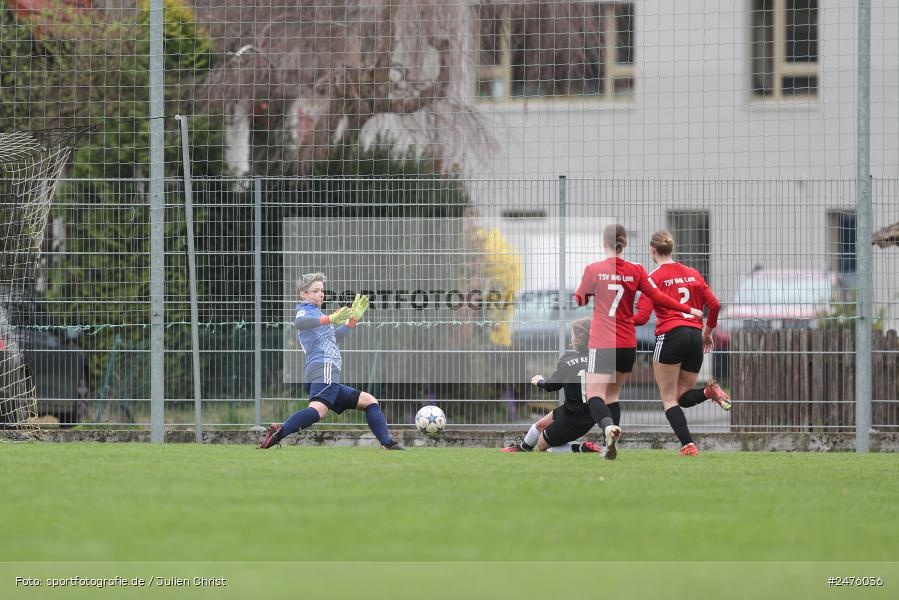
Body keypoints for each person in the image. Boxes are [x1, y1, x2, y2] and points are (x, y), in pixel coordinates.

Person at [575, 224, 703, 460]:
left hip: (604, 341)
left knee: (594, 394)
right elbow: (658, 297)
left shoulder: (594, 269)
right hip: (627, 344)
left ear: (603, 244)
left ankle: (607, 429)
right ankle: (610, 445)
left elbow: (580, 299)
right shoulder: (637, 270)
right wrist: (688, 309)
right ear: (625, 243)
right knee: (613, 395)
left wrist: (591, 291)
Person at [259, 272, 404, 450]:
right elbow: (300, 322)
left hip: (321, 371)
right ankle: (280, 431)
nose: (321, 293)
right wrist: (330, 319)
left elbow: (335, 337)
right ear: (303, 294)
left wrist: (353, 320)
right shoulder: (306, 309)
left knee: (369, 401)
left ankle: (388, 444)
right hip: (324, 367)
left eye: (322, 290)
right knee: (319, 411)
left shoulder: (317, 314)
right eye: (315, 290)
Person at [633, 230, 730, 456]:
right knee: (681, 397)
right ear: (672, 249)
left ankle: (688, 445)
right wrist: (707, 333)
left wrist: (616, 320)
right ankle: (709, 392)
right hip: (695, 336)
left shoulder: (653, 278)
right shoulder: (693, 273)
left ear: (652, 250)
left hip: (671, 334)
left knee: (668, 398)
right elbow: (714, 306)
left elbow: (642, 317)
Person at [501, 318, 606, 454]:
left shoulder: (568, 360)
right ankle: (523, 447)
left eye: (573, 334)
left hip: (574, 416)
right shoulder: (600, 360)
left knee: (543, 446)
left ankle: (582, 448)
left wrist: (539, 381)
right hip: (583, 412)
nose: (571, 337)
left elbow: (552, 386)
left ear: (579, 339)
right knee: (540, 424)